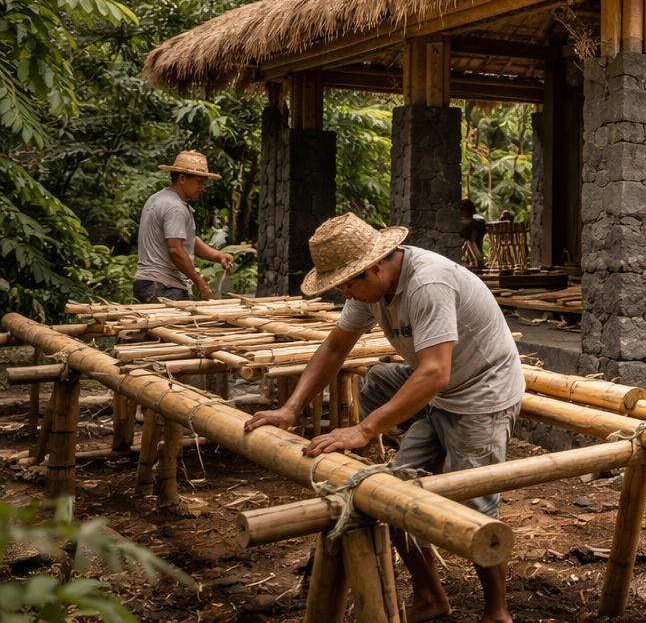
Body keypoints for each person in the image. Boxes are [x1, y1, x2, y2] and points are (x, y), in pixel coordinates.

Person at [245, 213, 526, 623]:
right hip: (442, 394)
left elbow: (435, 372)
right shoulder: (367, 290)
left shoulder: (427, 283)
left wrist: (364, 429)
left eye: (348, 283)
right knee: (392, 496)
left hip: (483, 393)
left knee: (477, 508)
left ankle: (497, 611)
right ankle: (430, 598)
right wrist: (291, 409)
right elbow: (335, 347)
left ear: (375, 266)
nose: (345, 292)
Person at [133, 150, 232, 303]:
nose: (202, 188)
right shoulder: (175, 207)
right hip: (164, 286)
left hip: (149, 284)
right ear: (182, 178)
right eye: (199, 182)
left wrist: (217, 256)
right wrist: (200, 282)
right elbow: (175, 250)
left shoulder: (158, 198)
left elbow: (189, 240)